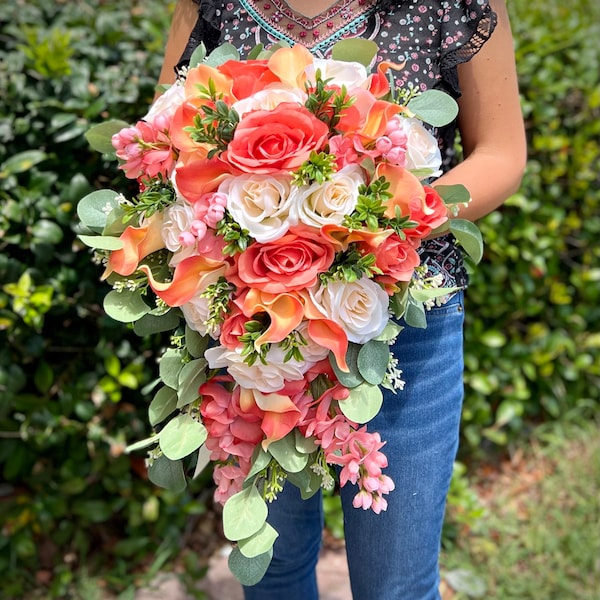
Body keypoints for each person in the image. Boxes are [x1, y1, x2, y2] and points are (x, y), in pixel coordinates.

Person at [157, 1, 526, 599]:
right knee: (272, 573)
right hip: (253, 330)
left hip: (406, 326)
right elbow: (169, 138)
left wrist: (377, 217)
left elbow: (503, 154)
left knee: (396, 586)